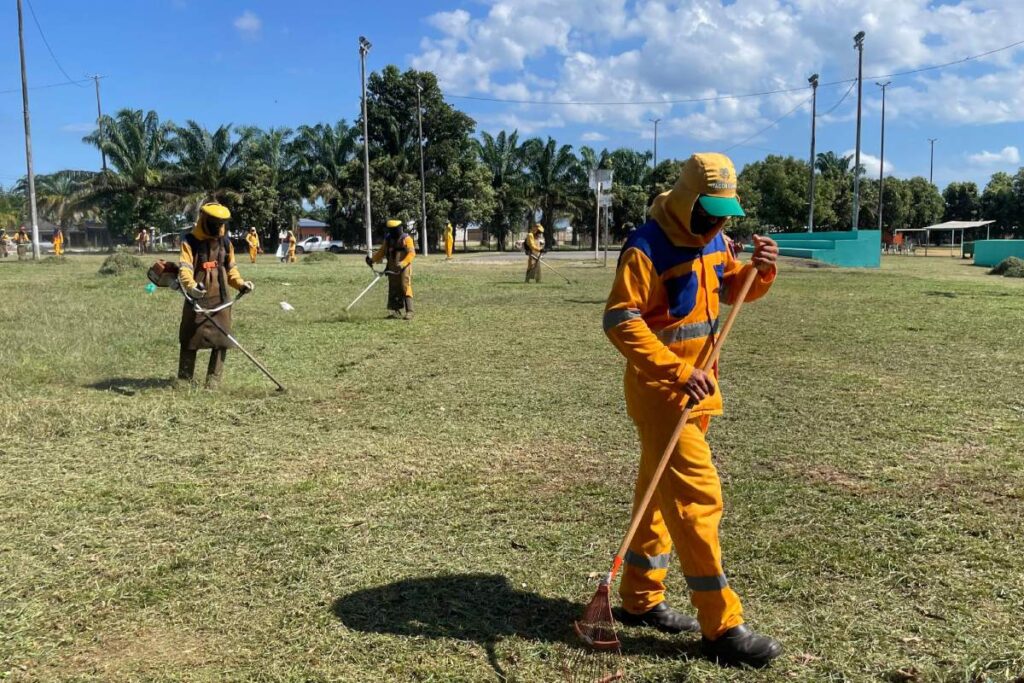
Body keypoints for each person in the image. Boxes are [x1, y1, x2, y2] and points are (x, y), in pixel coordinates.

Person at [602, 153, 781, 668]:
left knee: (657, 495)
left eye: (726, 214)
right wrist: (678, 372)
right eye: (710, 213)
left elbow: (730, 288)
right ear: (684, 201)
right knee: (698, 500)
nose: (719, 224)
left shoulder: (716, 240)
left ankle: (639, 599)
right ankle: (721, 626)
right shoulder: (647, 247)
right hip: (664, 393)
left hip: (698, 392)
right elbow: (620, 320)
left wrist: (760, 271)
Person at [176, 202, 254, 389]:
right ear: (204, 219)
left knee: (222, 339)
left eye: (220, 222)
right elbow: (185, 269)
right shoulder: (190, 241)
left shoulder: (225, 243)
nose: (218, 226)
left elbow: (231, 270)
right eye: (214, 222)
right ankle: (185, 380)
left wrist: (241, 284)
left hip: (221, 298)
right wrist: (192, 287)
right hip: (197, 298)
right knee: (190, 338)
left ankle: (213, 382)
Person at [367, 218, 416, 319]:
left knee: (404, 286)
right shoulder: (388, 239)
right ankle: (395, 312)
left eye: (394, 229)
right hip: (392, 266)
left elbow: (412, 253)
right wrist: (372, 260)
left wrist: (403, 263)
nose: (392, 232)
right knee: (393, 288)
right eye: (390, 230)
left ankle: (410, 311)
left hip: (404, 267)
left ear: (399, 228)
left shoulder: (406, 239)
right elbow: (382, 252)